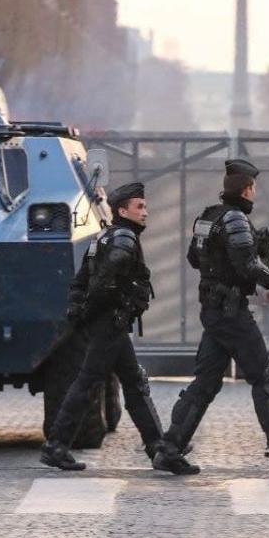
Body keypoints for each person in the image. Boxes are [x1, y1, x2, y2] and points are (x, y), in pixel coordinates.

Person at [152, 159, 269, 475]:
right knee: (264, 377)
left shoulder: (208, 217)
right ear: (246, 189)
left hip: (215, 312)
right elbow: (248, 267)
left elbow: (193, 257)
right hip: (231, 313)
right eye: (253, 187)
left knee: (205, 383)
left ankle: (170, 449)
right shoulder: (236, 220)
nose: (255, 193)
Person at [40, 182, 197, 475]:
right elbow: (103, 285)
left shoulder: (103, 237)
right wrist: (96, 311)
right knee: (88, 383)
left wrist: (83, 312)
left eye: (145, 206)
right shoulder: (123, 240)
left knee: (133, 384)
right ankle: (57, 445)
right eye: (139, 207)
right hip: (110, 323)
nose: (145, 212)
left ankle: (158, 448)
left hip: (111, 323)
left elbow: (81, 282)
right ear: (122, 210)